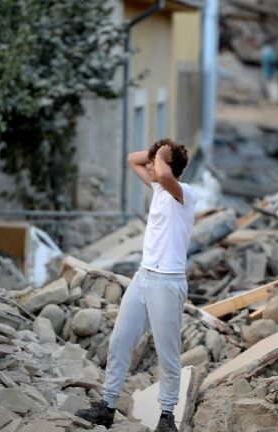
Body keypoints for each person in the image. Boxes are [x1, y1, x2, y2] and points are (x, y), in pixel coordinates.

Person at [76, 139, 197, 432]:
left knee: (166, 352)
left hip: (168, 282)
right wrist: (161, 152)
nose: (151, 169)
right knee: (119, 341)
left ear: (167, 166)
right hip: (143, 277)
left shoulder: (185, 194)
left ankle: (167, 417)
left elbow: (166, 175)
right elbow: (133, 158)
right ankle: (107, 406)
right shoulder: (158, 188)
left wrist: (165, 158)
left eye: (156, 163)